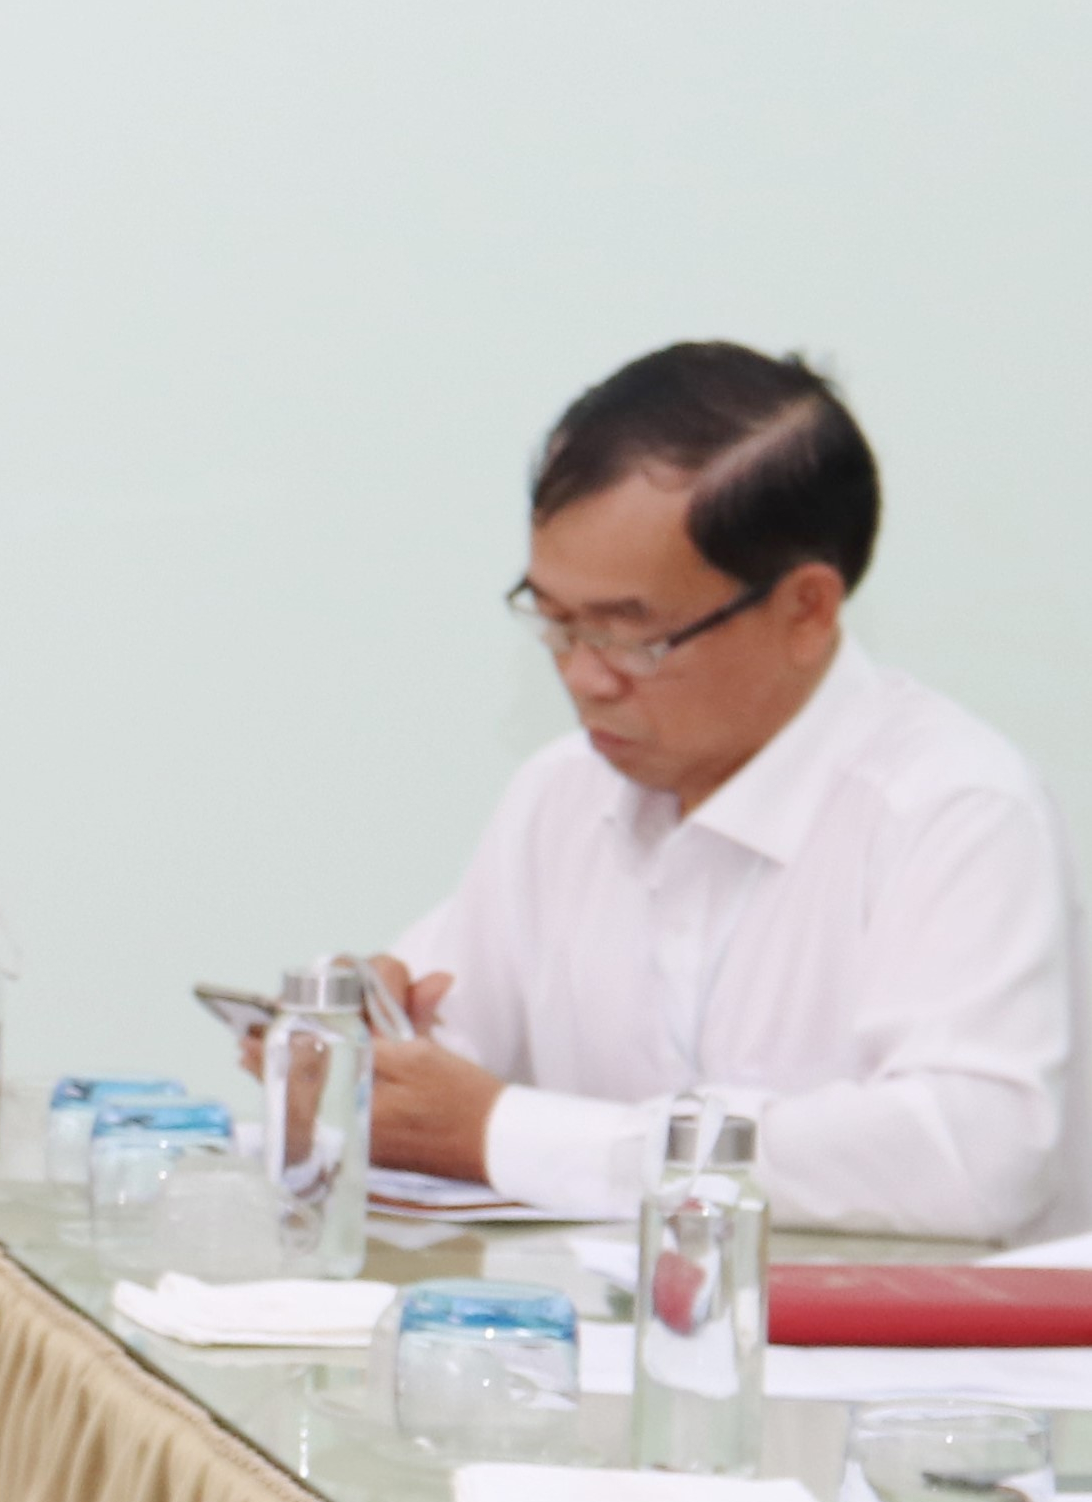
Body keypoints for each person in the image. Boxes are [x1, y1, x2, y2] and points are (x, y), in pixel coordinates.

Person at [378, 343, 1081, 1238]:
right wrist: (364, 1054)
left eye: (630, 636)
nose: (584, 677)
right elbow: (445, 1045)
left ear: (805, 610)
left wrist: (511, 1133)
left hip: (894, 1333)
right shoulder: (559, 794)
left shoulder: (954, 807)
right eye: (554, 621)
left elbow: (969, 1159)